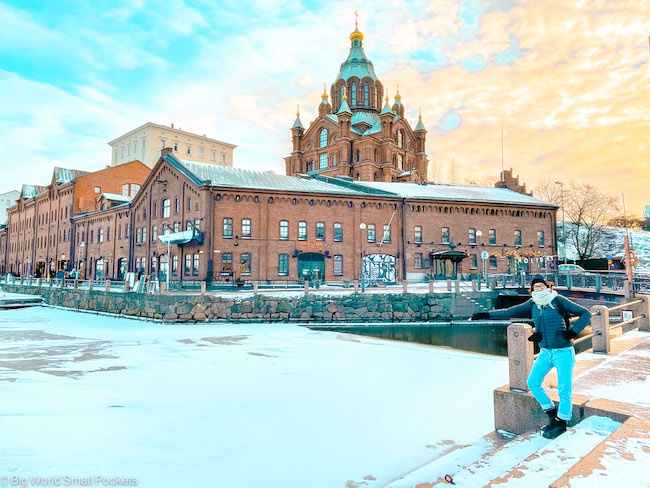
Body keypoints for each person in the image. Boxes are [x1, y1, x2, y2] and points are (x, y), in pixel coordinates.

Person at [471, 275, 591, 439]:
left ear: (547, 287)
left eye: (541, 286)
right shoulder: (533, 304)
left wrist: (573, 332)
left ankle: (562, 423)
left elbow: (585, 313)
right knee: (533, 382)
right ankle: (552, 414)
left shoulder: (558, 300)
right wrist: (483, 315)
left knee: (564, 389)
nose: (539, 289)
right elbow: (509, 312)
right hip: (545, 352)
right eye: (536, 287)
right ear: (532, 290)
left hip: (563, 351)